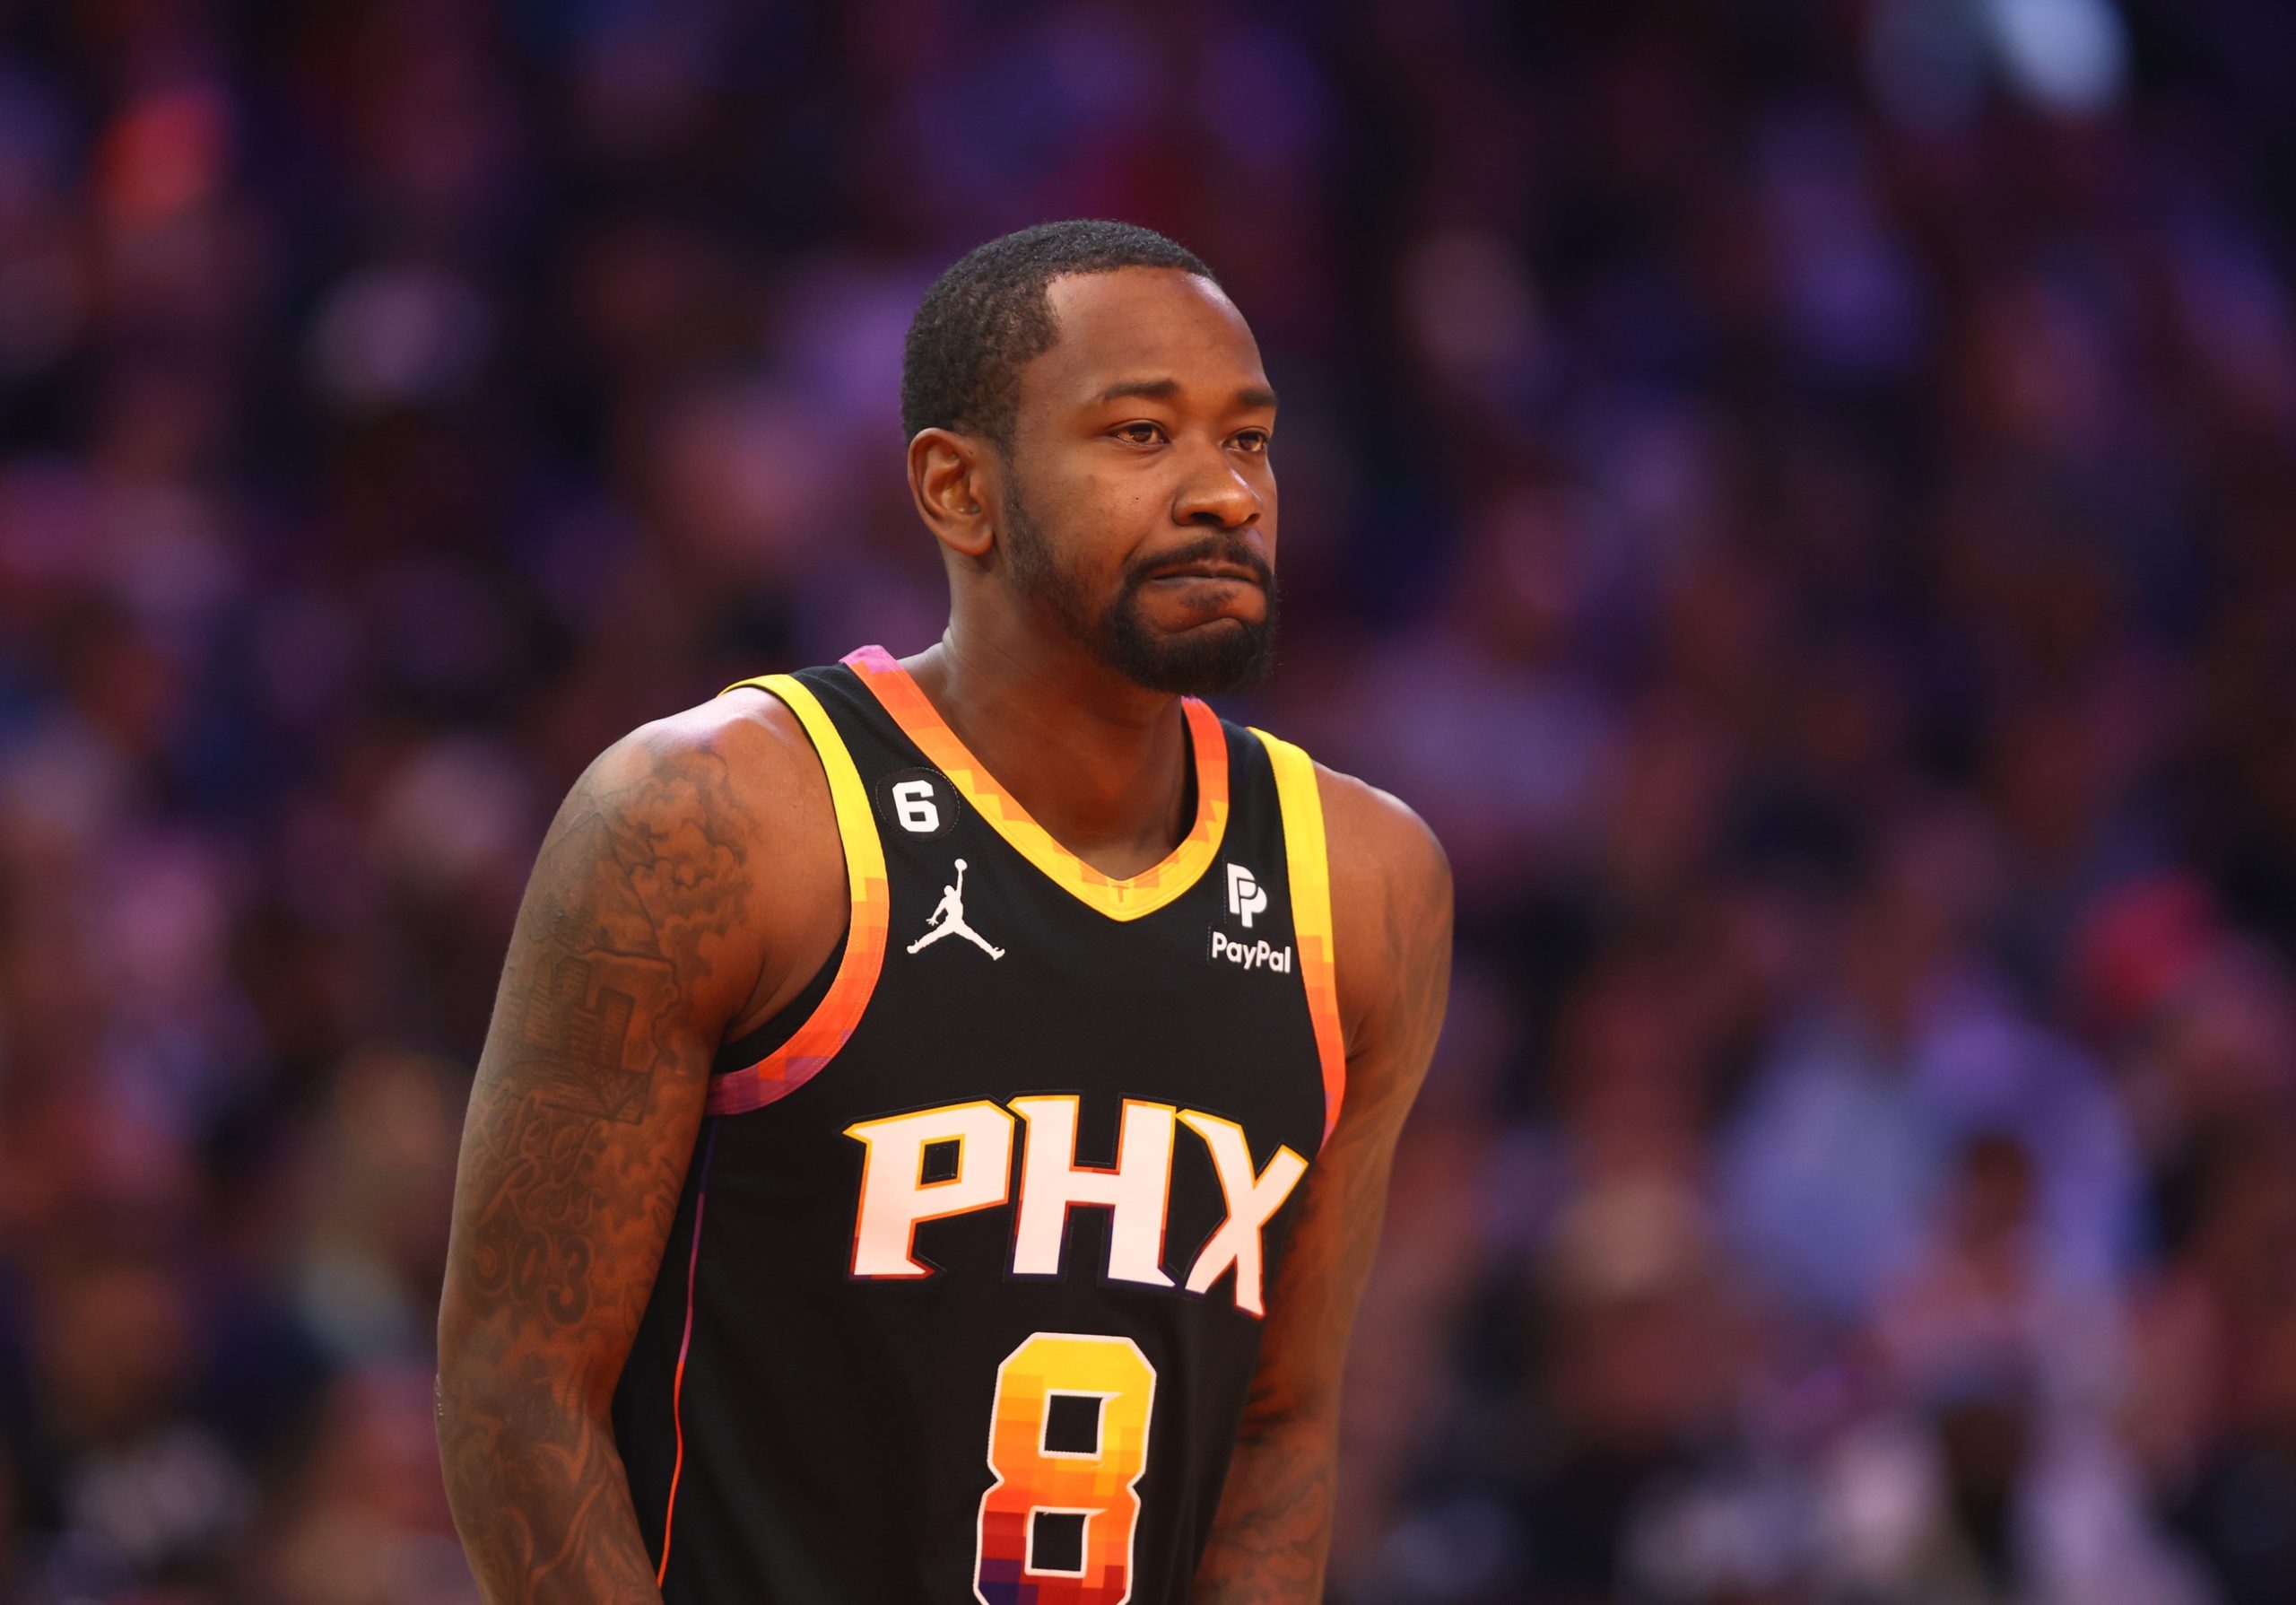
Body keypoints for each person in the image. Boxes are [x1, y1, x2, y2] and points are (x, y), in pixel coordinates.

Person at [434, 219, 1452, 1603]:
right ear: (958, 491)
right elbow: (518, 1381)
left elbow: (1278, 1431)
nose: (1226, 493)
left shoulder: (1366, 882)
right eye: (1142, 436)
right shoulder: (717, 817)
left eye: (1251, 440)